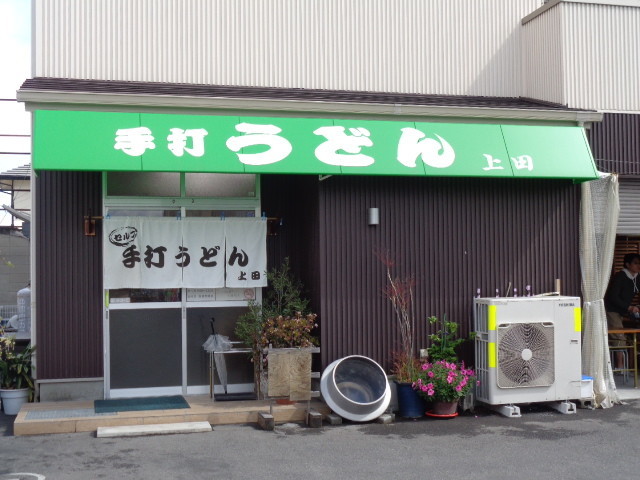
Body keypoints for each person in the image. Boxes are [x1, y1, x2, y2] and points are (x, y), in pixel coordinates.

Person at [605, 253, 640, 368]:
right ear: (627, 264)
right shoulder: (620, 276)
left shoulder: (637, 277)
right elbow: (613, 297)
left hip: (623, 310)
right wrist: (629, 307)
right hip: (612, 310)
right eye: (635, 263)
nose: (638, 266)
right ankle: (620, 366)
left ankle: (627, 366)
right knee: (619, 336)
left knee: (627, 337)